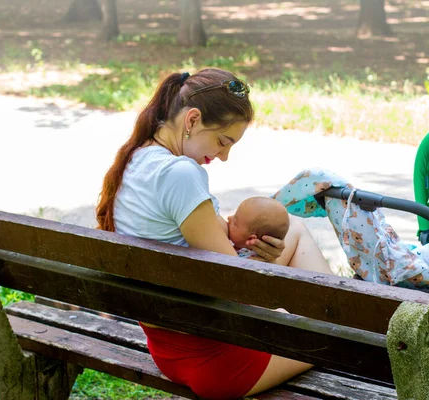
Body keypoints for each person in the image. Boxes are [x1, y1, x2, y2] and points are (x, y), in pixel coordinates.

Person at [96, 68, 334, 399]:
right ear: (191, 120)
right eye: (223, 141)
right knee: (340, 335)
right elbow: (234, 283)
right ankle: (332, 314)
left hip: (171, 353)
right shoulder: (180, 173)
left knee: (291, 228)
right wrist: (277, 301)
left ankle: (324, 312)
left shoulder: (136, 159)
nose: (223, 156)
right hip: (223, 363)